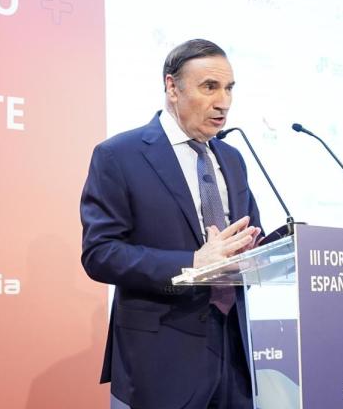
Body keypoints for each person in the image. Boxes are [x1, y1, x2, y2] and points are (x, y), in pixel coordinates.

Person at [81, 39, 263, 408]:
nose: (223, 102)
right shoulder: (119, 155)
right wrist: (193, 263)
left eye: (229, 89)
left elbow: (248, 237)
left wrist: (260, 250)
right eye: (209, 87)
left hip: (235, 353)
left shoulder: (232, 158)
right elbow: (100, 253)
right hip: (161, 358)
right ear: (172, 87)